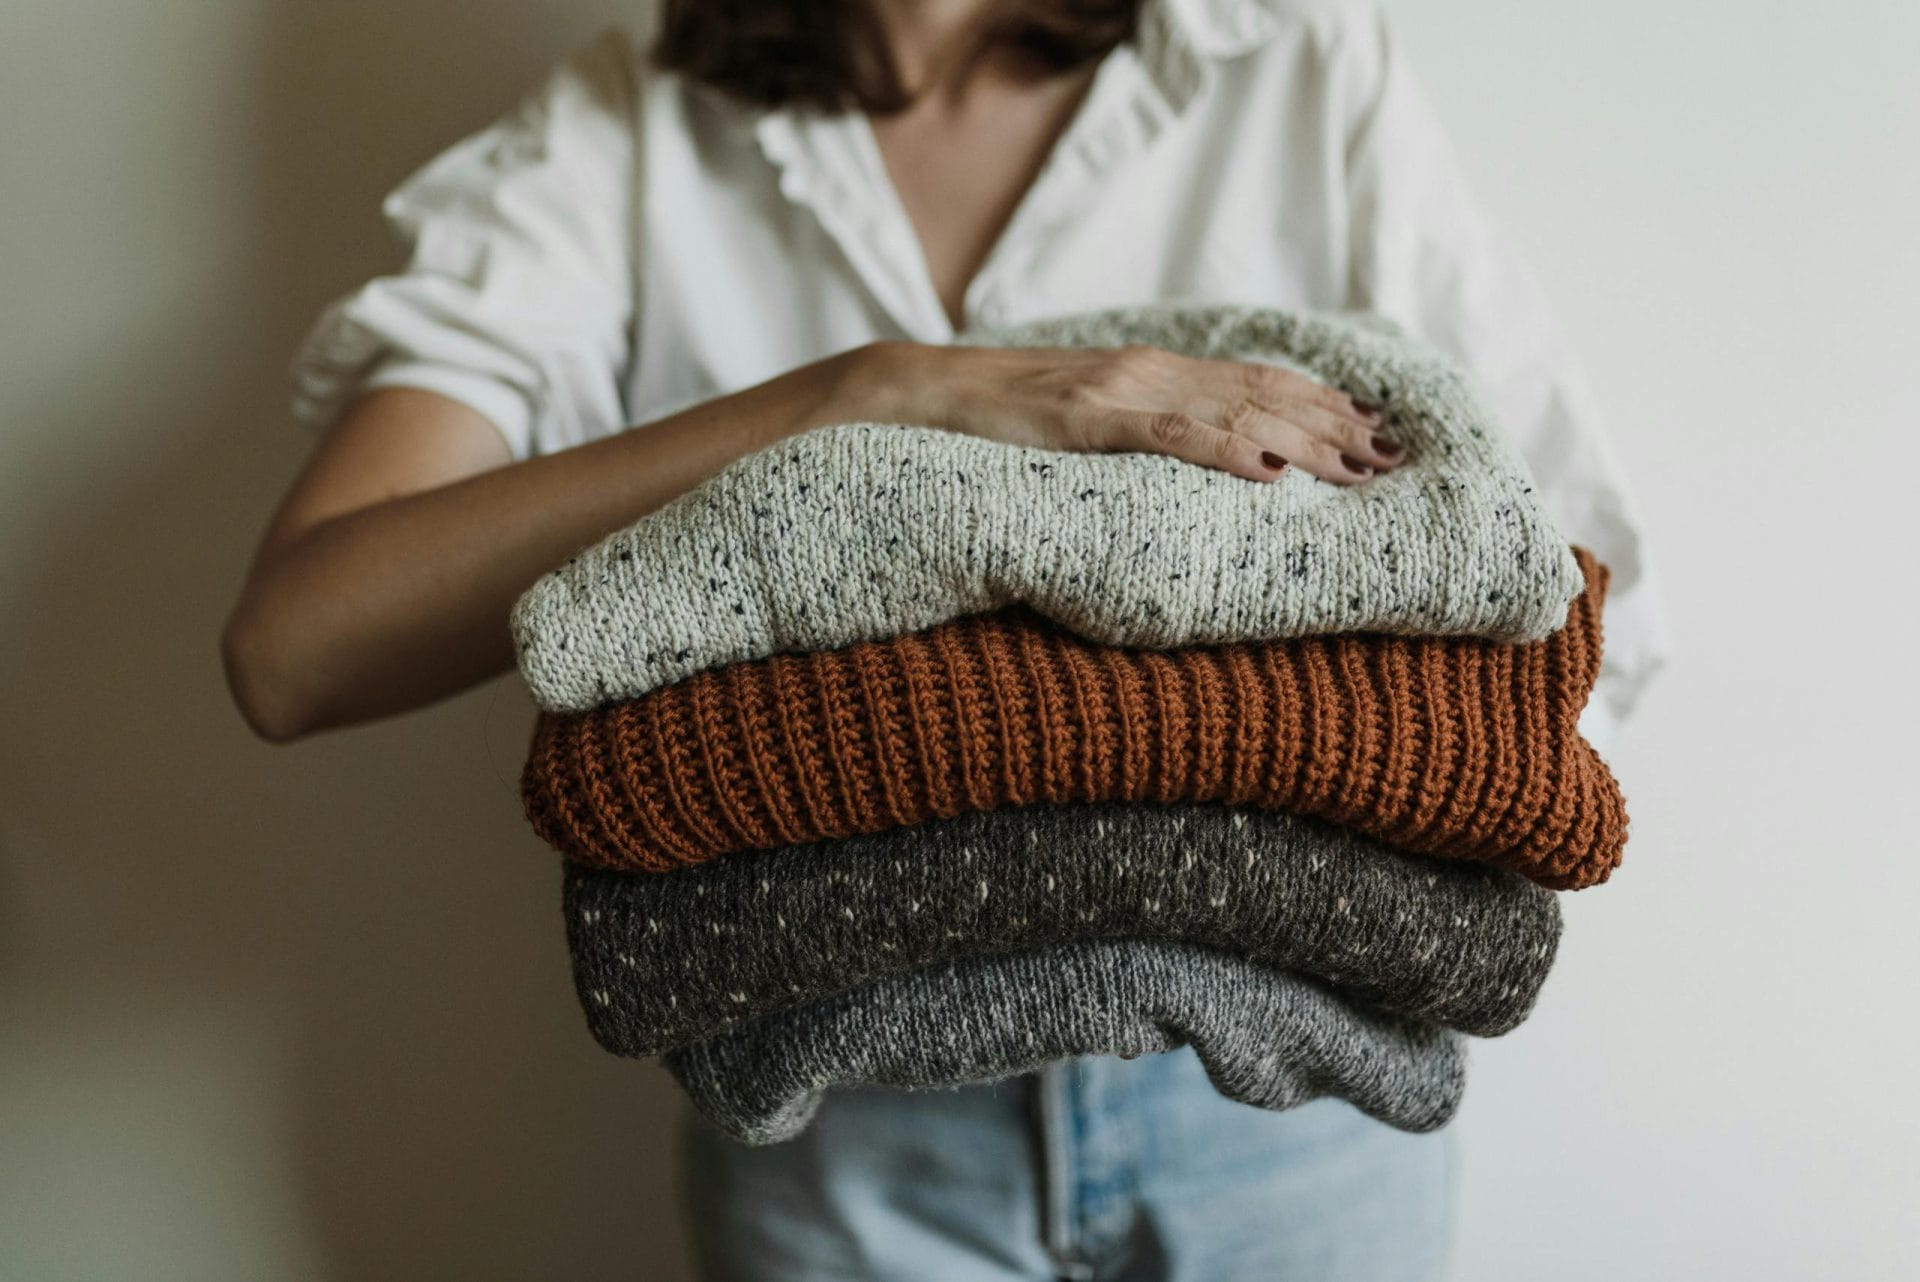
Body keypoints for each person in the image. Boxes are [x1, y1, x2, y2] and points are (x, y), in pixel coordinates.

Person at [222, 1, 1669, 1277]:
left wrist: (1332, 853)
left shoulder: (1283, 63)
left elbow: (1562, 579)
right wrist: (870, 394)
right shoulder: (626, 139)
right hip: (840, 1137)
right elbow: (296, 647)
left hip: (1291, 1119)